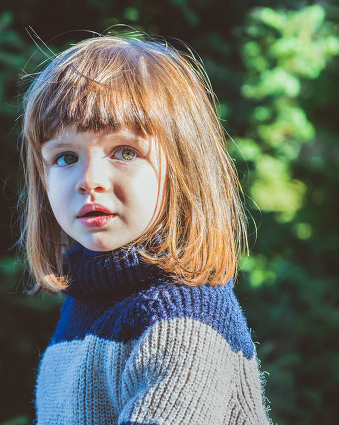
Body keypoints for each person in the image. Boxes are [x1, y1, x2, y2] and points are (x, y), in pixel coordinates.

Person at [18, 35, 272, 424]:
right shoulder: (87, 305)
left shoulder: (183, 319)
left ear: (184, 167)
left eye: (125, 152)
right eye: (66, 157)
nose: (90, 180)